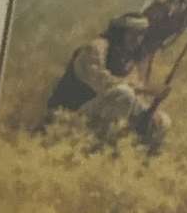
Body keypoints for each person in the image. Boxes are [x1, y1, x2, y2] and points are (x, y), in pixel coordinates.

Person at [46, 13, 169, 151]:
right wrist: (146, 90)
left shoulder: (127, 58)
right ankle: (103, 148)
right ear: (121, 33)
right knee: (124, 94)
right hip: (71, 114)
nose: (137, 40)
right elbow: (104, 84)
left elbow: (134, 92)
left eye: (141, 35)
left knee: (162, 121)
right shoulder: (95, 49)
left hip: (99, 112)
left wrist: (149, 110)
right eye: (133, 34)